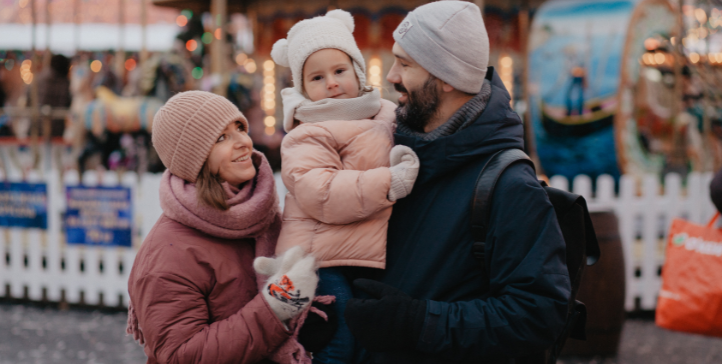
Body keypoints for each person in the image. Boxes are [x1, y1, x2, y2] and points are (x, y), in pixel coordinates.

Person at [343, 2, 571, 363]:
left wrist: (420, 323)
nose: (391, 76)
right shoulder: (388, 154)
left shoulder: (508, 186)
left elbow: (537, 314)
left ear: (446, 76)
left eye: (405, 64)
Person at [270, 9, 420, 364]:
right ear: (303, 87)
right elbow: (320, 192)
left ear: (358, 69)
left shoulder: (383, 112)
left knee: (370, 341)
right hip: (320, 260)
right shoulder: (307, 133)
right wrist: (391, 181)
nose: (333, 83)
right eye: (317, 77)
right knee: (337, 342)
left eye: (340, 71)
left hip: (361, 251)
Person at [126, 91, 320, 364]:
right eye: (221, 137)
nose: (243, 141)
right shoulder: (168, 251)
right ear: (194, 158)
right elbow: (181, 355)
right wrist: (275, 306)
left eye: (239, 127)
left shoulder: (264, 216)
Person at [37, 54, 72, 137]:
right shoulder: (65, 84)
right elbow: (68, 103)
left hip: (36, 127)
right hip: (57, 130)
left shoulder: (38, 79)